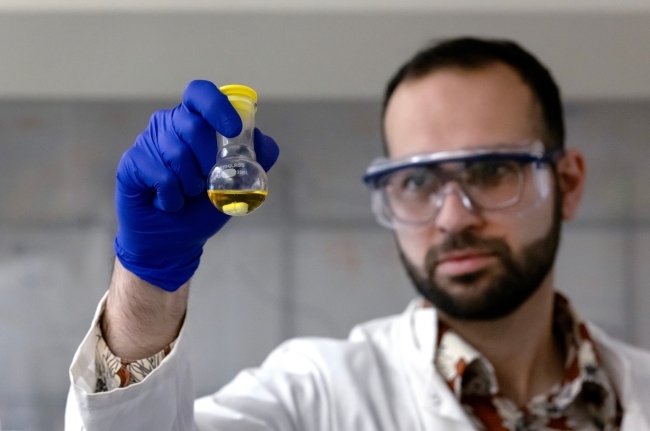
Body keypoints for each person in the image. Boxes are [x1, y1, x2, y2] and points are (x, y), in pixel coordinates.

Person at [65, 37, 650, 430]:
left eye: (491, 171)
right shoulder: (314, 399)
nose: (452, 216)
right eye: (417, 180)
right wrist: (145, 283)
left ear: (568, 183)